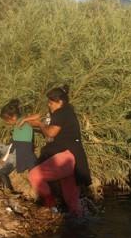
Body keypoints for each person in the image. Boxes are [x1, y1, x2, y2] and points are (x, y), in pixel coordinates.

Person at [21, 85, 91, 217]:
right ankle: (81, 225)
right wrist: (25, 120)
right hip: (74, 157)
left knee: (35, 175)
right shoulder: (65, 110)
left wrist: (41, 125)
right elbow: (40, 115)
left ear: (60, 102)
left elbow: (51, 133)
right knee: (72, 201)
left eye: (51, 103)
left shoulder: (61, 113)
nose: (49, 105)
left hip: (66, 156)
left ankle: (51, 207)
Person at [0, 99, 36, 191]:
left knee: (2, 173)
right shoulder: (18, 122)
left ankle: (10, 192)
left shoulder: (23, 121)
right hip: (12, 148)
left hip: (19, 153)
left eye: (7, 120)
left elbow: (39, 116)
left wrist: (26, 119)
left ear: (13, 117)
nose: (7, 123)